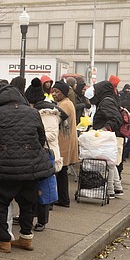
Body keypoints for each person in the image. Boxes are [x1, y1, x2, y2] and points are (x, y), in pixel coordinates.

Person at [0, 83, 53, 254]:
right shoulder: (32, 112)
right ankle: (26, 238)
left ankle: (4, 240)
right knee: (27, 203)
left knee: (0, 201)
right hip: (31, 166)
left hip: (7, 166)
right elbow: (41, 137)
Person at [24, 78, 62, 232]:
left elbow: (52, 135)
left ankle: (42, 220)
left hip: (47, 154)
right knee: (34, 188)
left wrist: (33, 135)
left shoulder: (47, 113)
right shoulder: (38, 111)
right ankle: (32, 215)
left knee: (44, 189)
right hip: (37, 153)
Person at [90, 80, 124, 197]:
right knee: (111, 162)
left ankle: (110, 190)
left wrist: (104, 129)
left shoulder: (106, 102)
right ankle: (117, 188)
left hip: (105, 136)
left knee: (107, 163)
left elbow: (115, 119)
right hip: (109, 136)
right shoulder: (111, 99)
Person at [50, 80, 78, 208]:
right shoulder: (66, 103)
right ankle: (62, 198)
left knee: (61, 171)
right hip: (66, 140)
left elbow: (56, 120)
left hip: (64, 141)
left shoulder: (65, 105)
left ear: (64, 93)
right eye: (53, 91)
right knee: (62, 171)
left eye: (57, 92)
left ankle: (63, 199)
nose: (54, 94)